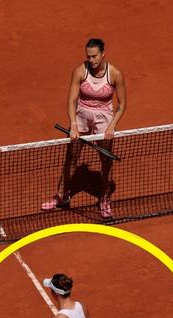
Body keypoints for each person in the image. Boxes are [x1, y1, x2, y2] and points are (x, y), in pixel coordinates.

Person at [42, 38, 126, 219]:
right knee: (71, 157)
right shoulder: (80, 71)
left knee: (106, 161)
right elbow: (72, 100)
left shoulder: (115, 74)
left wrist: (112, 126)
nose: (91, 60)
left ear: (103, 54)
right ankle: (62, 196)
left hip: (104, 120)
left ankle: (104, 199)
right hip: (81, 117)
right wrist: (73, 125)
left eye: (94, 56)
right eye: (88, 56)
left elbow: (122, 105)